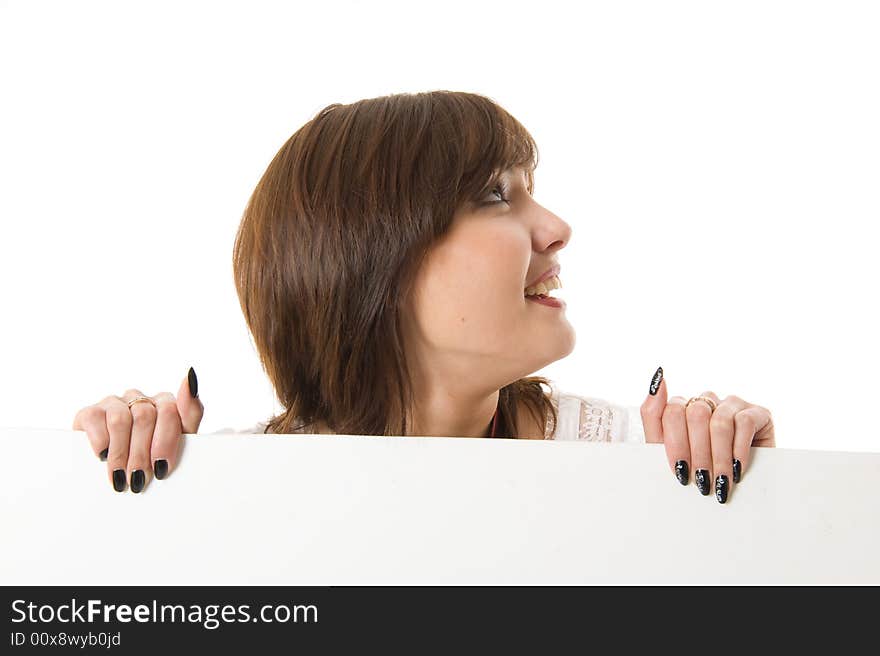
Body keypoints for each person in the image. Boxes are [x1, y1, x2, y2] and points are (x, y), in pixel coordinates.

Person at [72, 91, 775, 503]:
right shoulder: (224, 485)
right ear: (376, 253)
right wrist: (128, 511)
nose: (557, 230)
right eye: (497, 194)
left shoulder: (642, 459)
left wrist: (760, 495)